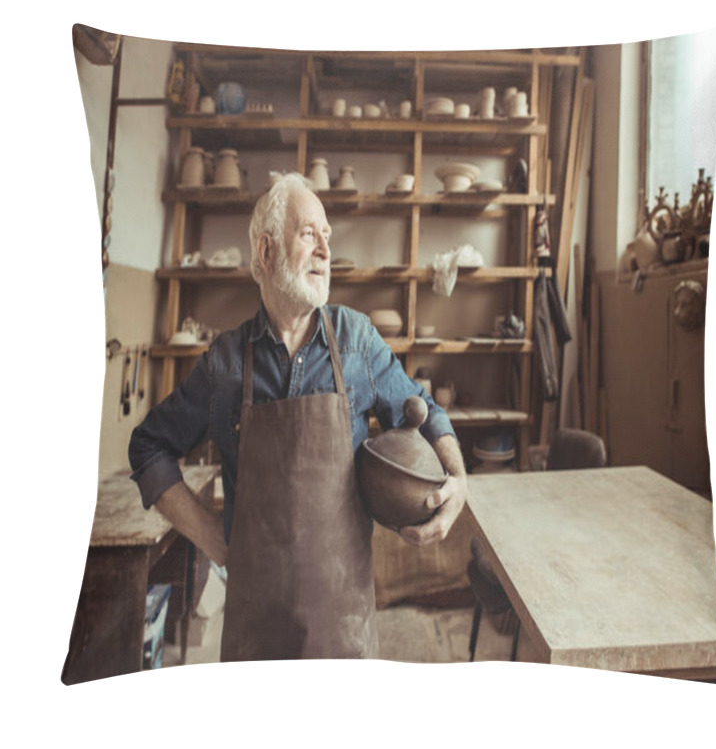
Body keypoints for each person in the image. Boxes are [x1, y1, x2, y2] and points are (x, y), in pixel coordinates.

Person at [129, 172, 467, 661]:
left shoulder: (357, 341)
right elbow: (148, 447)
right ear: (266, 253)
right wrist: (217, 543)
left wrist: (457, 479)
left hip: (343, 628)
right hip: (254, 631)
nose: (326, 250)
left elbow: (426, 410)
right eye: (310, 233)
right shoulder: (225, 364)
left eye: (327, 236)